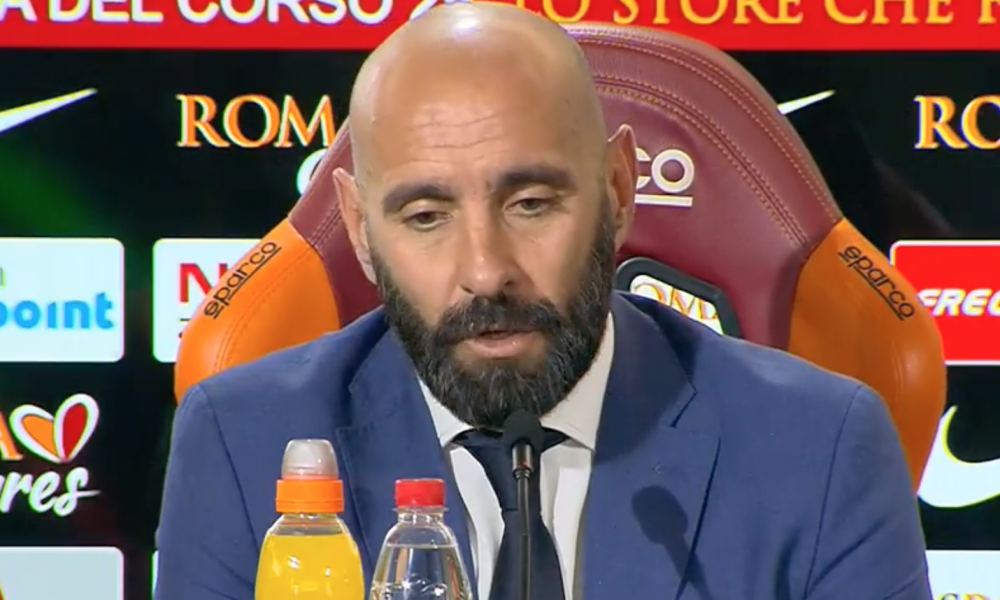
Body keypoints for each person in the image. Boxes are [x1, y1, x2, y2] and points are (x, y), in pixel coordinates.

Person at [154, 4, 932, 600]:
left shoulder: (820, 447)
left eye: (530, 204)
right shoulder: (242, 443)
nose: (486, 272)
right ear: (360, 230)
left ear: (618, 191)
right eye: (425, 217)